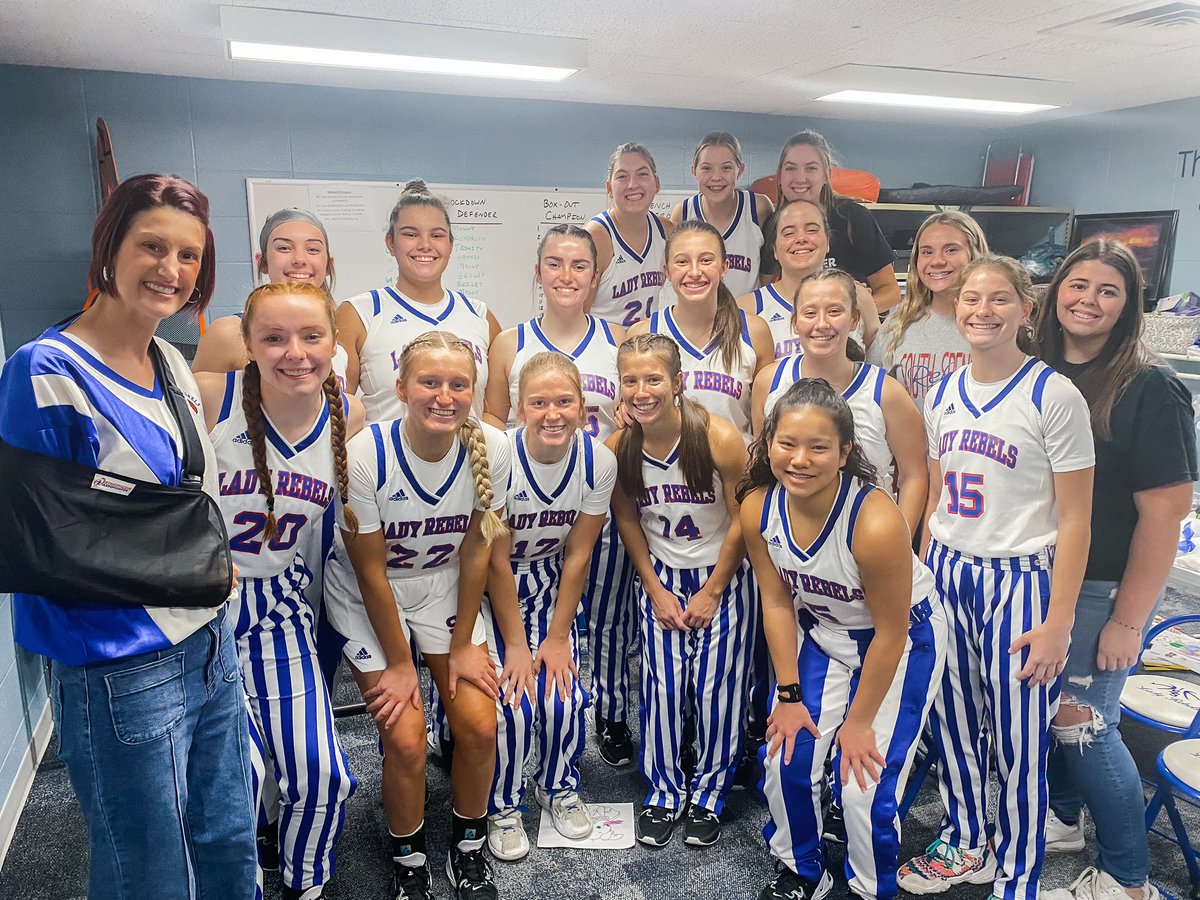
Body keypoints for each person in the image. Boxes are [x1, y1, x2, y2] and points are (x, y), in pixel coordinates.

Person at [0, 173, 257, 897]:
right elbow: (35, 542)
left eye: (189, 256)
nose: (171, 270)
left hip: (210, 643)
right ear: (110, 247)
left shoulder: (172, 362)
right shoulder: (47, 373)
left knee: (226, 840)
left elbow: (190, 501)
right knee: (148, 867)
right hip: (121, 668)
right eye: (152, 246)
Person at [899, 255, 1095, 900]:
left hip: (1020, 579)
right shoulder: (942, 392)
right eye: (971, 300)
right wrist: (920, 578)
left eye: (998, 300)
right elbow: (930, 500)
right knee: (952, 722)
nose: (982, 311)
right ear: (956, 311)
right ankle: (966, 840)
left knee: (1017, 738)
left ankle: (1018, 872)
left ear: (1026, 310)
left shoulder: (1054, 395)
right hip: (949, 570)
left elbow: (1075, 520)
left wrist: (1059, 622)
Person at [739, 378, 947, 900]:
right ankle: (803, 868)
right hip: (825, 631)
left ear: (844, 451)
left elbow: (892, 631)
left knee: (862, 785)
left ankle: (872, 886)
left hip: (901, 641)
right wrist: (787, 698)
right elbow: (777, 602)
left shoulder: (874, 521)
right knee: (786, 755)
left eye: (819, 447)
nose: (800, 459)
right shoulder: (758, 508)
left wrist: (857, 725)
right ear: (768, 445)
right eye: (787, 443)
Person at [324, 331, 511, 900]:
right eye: (430, 382)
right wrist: (402, 664)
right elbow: (371, 571)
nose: (445, 395)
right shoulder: (364, 455)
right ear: (401, 388)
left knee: (480, 724)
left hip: (442, 589)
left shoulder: (493, 449)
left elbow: (479, 549)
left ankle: (470, 843)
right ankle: (408, 856)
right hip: (367, 595)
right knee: (405, 738)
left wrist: (459, 645)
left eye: (459, 384)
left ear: (474, 391)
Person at [1034, 240, 1196, 900]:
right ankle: (1065, 819)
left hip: (1102, 586)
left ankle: (1130, 879)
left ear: (1129, 307)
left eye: (1108, 291)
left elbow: (1165, 516)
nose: (1087, 300)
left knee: (1084, 722)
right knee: (1054, 715)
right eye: (1078, 285)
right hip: (1043, 577)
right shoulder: (1039, 367)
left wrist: (1130, 621)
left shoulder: (1149, 388)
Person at [195, 281, 364, 900]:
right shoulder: (211, 398)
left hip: (280, 607)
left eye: (311, 336)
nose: (295, 352)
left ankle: (305, 885)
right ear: (247, 346)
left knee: (322, 777)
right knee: (234, 782)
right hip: (195, 613)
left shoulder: (351, 416)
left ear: (333, 344)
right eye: (274, 337)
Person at [485, 225, 637, 767]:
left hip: (597, 494)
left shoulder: (619, 340)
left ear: (596, 278)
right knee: (539, 609)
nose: (566, 276)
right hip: (529, 501)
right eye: (555, 263)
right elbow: (489, 423)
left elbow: (633, 417)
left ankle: (613, 711)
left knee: (611, 612)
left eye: (578, 266)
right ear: (538, 272)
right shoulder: (510, 343)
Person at [607, 333, 753, 848]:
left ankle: (710, 793)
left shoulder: (718, 437)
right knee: (664, 688)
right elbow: (626, 516)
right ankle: (665, 792)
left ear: (678, 382)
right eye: (631, 380)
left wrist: (714, 590)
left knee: (717, 690)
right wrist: (653, 588)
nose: (642, 390)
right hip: (663, 576)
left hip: (722, 575)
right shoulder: (621, 445)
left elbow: (744, 519)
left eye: (653, 379)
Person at [483, 352, 616, 861]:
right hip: (493, 590)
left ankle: (557, 785)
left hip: (549, 585)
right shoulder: (499, 455)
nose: (553, 413)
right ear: (519, 407)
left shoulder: (597, 461)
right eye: (539, 402)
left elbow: (579, 554)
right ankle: (503, 803)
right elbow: (494, 561)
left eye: (564, 401)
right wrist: (517, 646)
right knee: (513, 704)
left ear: (583, 407)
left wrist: (558, 639)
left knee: (564, 698)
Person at [751, 269, 928, 534]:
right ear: (795, 322)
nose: (822, 324)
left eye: (834, 311)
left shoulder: (886, 392)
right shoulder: (769, 382)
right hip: (791, 541)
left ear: (854, 319)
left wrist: (898, 542)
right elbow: (762, 464)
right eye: (810, 313)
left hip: (867, 539)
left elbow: (914, 475)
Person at [338, 180, 501, 421]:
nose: (425, 245)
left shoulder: (480, 315)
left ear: (450, 245)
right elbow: (338, 409)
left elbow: (493, 412)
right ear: (390, 243)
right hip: (389, 458)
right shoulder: (359, 313)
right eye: (411, 234)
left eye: (437, 235)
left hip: (467, 458)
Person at [629, 219, 774, 442]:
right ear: (666, 271)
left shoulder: (754, 332)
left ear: (724, 267)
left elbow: (763, 423)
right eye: (682, 262)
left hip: (735, 472)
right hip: (664, 472)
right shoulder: (643, 334)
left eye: (706, 260)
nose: (695, 272)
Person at [192, 207, 348, 383]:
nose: (299, 259)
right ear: (262, 263)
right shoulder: (227, 334)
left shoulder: (337, 346)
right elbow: (193, 407)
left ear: (329, 265)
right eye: (284, 248)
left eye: (312, 249)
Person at [764, 130, 900, 313]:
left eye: (811, 168)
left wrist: (852, 312)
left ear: (826, 174)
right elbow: (766, 289)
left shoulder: (853, 218)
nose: (800, 178)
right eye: (790, 168)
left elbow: (890, 291)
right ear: (779, 175)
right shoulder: (773, 224)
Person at [867, 210, 990, 410]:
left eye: (951, 250)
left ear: (974, 254)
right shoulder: (897, 325)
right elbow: (870, 397)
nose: (937, 261)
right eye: (927, 252)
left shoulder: (995, 327)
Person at [738, 199, 877, 359]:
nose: (801, 238)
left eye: (812, 230)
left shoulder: (859, 297)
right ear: (775, 249)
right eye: (789, 233)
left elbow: (878, 367)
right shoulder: (746, 309)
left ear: (828, 242)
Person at [670, 132, 774, 298]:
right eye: (706, 168)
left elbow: (769, 270)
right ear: (694, 171)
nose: (716, 177)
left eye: (726, 168)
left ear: (740, 170)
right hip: (699, 319)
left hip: (747, 319)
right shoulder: (683, 213)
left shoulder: (758, 208)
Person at [584, 142, 672, 327]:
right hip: (604, 349)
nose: (632, 184)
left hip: (646, 349)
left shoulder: (666, 231)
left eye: (642, 174)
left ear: (656, 183)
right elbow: (578, 314)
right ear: (609, 188)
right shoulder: (596, 236)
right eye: (622, 176)